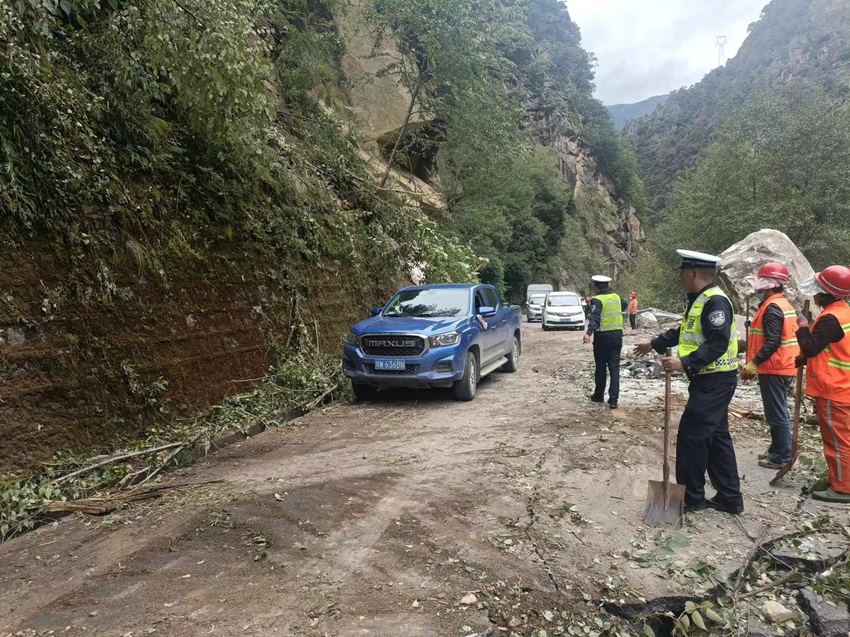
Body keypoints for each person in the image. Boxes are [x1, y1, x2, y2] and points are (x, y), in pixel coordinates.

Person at [634, 250, 744, 514]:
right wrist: (654, 344)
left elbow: (717, 343)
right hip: (710, 380)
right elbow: (685, 332)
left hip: (715, 381)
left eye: (682, 272)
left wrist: (684, 362)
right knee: (716, 437)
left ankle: (692, 498)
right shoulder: (700, 300)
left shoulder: (714, 302)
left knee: (692, 438)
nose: (680, 277)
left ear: (693, 273)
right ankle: (730, 498)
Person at [795, 265, 850, 504]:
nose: (814, 296)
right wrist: (805, 359)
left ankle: (842, 488)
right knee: (842, 438)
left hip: (834, 388)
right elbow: (830, 348)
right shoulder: (843, 312)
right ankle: (837, 478)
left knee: (837, 441)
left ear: (823, 293)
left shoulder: (830, 319)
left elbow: (811, 345)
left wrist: (803, 326)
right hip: (842, 386)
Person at [739, 263, 800, 470]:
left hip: (775, 367)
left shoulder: (773, 308)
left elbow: (773, 341)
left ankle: (782, 456)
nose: (758, 291)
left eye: (761, 287)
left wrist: (754, 364)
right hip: (783, 366)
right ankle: (777, 449)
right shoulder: (782, 304)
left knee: (776, 413)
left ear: (769, 286)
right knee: (777, 410)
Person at [583, 275, 626, 409]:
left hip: (603, 337)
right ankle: (613, 400)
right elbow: (623, 306)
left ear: (596, 287)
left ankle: (599, 395)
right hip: (617, 336)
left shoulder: (598, 299)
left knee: (601, 367)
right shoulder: (617, 297)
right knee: (614, 369)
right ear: (607, 286)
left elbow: (594, 318)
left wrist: (588, 333)